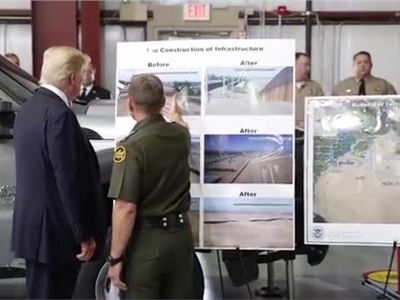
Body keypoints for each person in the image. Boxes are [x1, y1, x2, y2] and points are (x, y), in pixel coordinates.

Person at [12, 46, 107, 299]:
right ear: (73, 78)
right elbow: (66, 180)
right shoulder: (59, 115)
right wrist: (83, 234)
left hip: (34, 230)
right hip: (55, 234)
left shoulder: (27, 109)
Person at [107, 74, 194, 299]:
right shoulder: (181, 135)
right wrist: (176, 114)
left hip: (147, 244)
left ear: (130, 104)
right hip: (182, 241)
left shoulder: (131, 147)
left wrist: (115, 259)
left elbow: (125, 208)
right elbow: (180, 124)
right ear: (163, 103)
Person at [332, 51, 397, 96]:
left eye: (366, 62)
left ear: (371, 65)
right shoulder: (341, 86)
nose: (362, 65)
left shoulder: (384, 85)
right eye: (359, 62)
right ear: (353, 66)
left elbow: (394, 107)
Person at [295, 52, 324, 128]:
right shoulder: (281, 87)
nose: (308, 68)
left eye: (309, 65)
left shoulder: (315, 87)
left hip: (308, 131)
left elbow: (322, 111)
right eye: (305, 65)